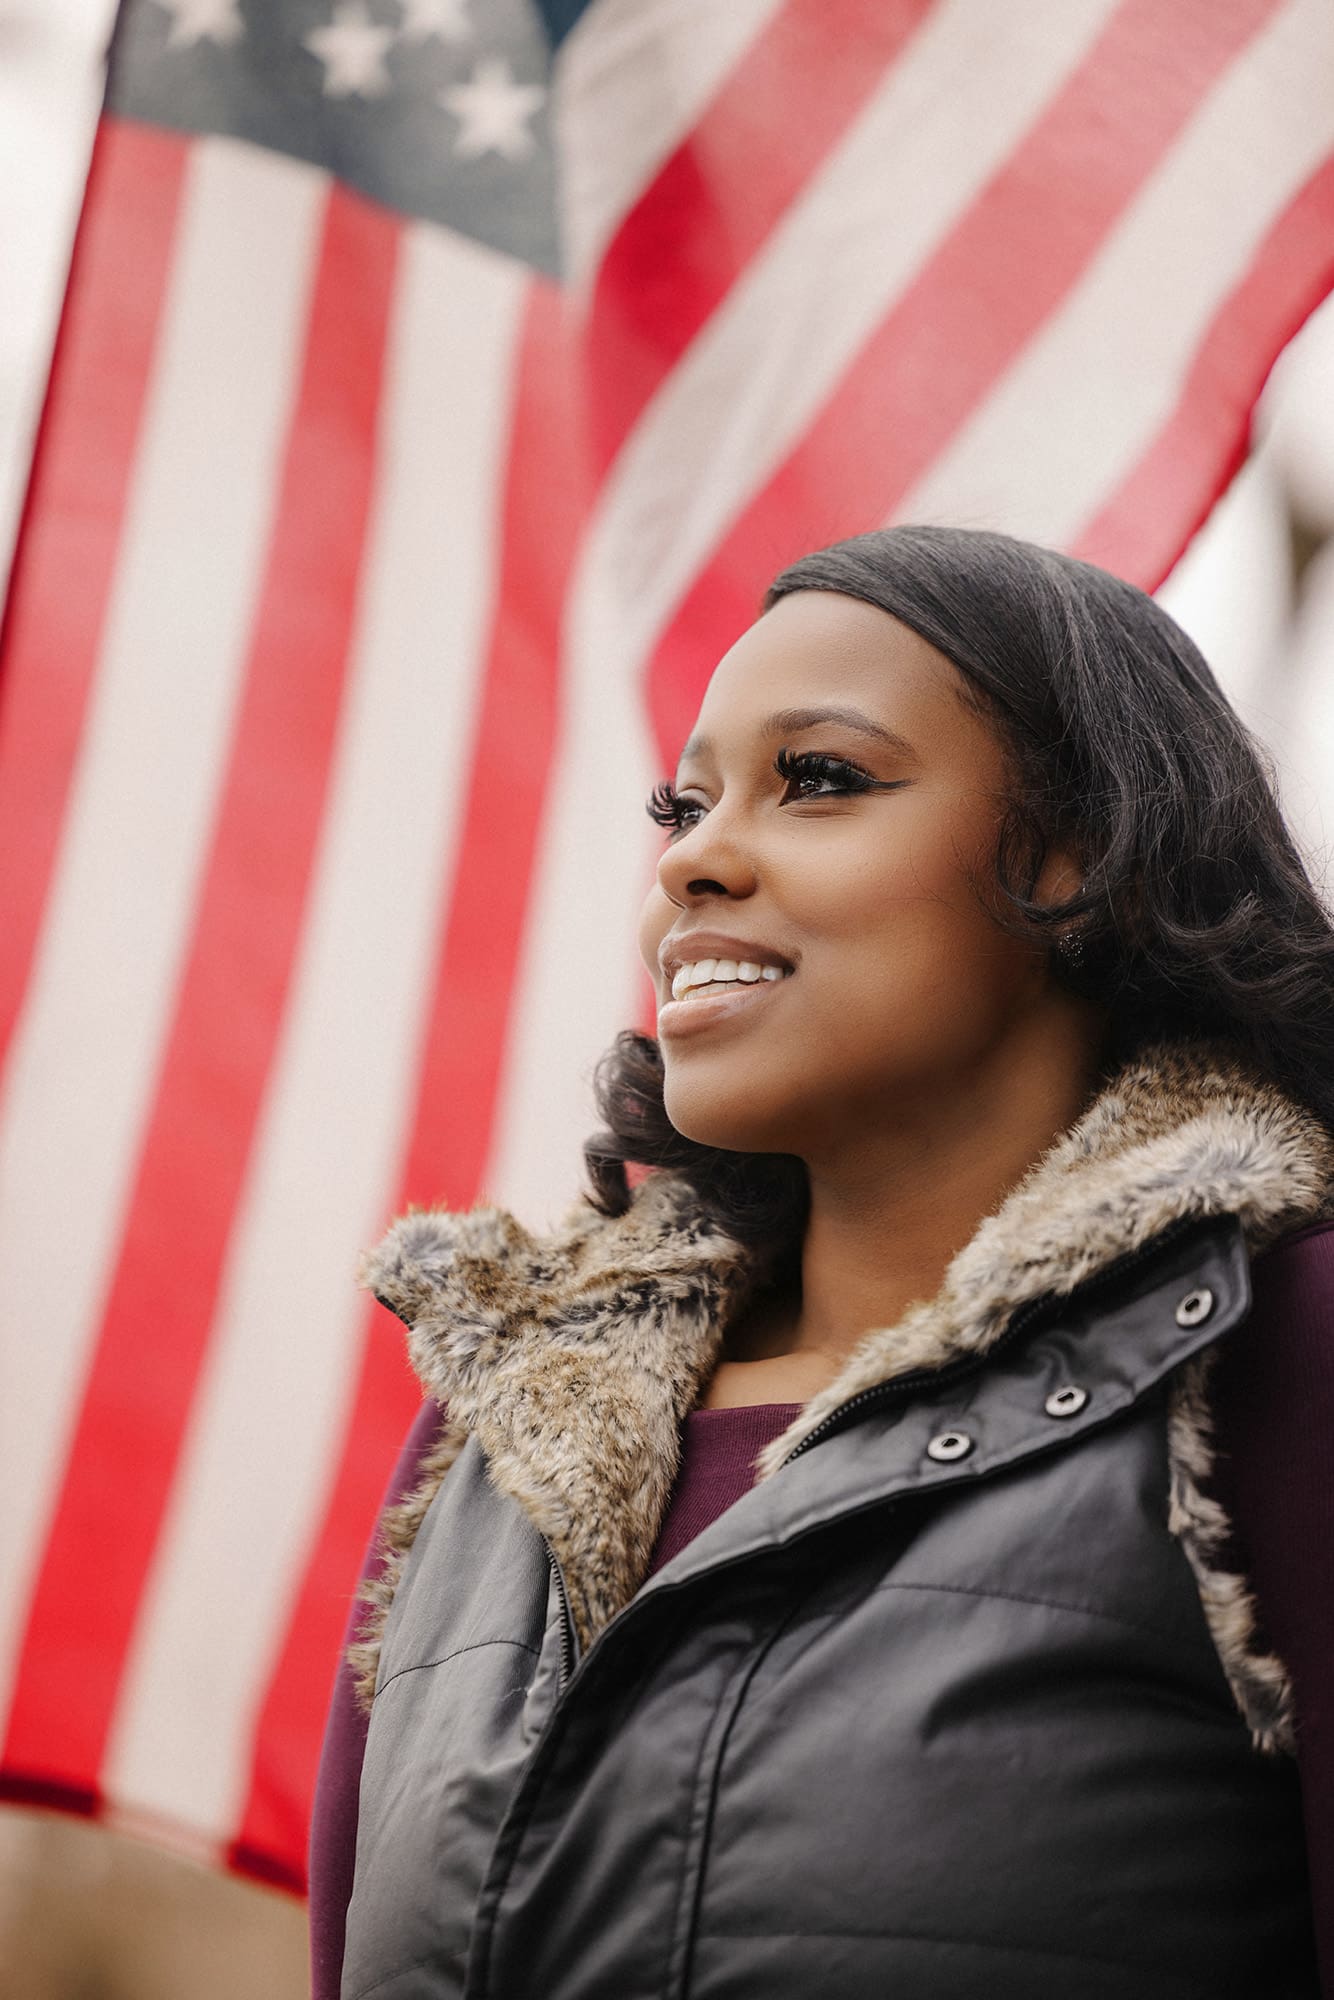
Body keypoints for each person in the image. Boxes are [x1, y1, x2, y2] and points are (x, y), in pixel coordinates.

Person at [310, 525, 1334, 1999]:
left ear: (1082, 860)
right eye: (682, 801)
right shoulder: (496, 1435)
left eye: (821, 780)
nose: (695, 859)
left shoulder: (1276, 1347)